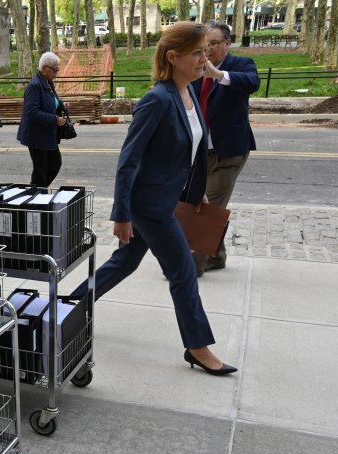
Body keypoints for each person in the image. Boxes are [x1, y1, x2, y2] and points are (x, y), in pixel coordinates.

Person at [69, 22, 236, 376]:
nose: (204, 59)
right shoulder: (156, 100)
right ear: (173, 57)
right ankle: (197, 346)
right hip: (149, 206)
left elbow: (187, 152)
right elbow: (129, 160)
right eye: (197, 52)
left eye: (206, 51)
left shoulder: (189, 95)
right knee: (183, 270)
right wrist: (122, 214)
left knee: (124, 263)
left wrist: (197, 191)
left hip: (168, 200)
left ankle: (68, 307)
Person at [190, 20, 260, 276]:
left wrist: (218, 75)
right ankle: (216, 256)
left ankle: (191, 267)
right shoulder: (196, 68)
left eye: (215, 43)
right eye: (205, 44)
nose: (208, 49)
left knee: (207, 208)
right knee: (201, 203)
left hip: (229, 151)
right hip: (200, 152)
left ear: (228, 44)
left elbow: (253, 82)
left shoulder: (240, 65)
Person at [16, 52, 67, 188]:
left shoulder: (48, 82)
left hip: (47, 134)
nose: (57, 72)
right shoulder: (34, 85)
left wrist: (61, 104)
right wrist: (54, 119)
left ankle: (38, 190)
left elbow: (52, 100)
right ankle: (37, 194)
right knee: (41, 170)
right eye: (55, 69)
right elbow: (32, 112)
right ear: (45, 68)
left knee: (55, 164)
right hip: (36, 135)